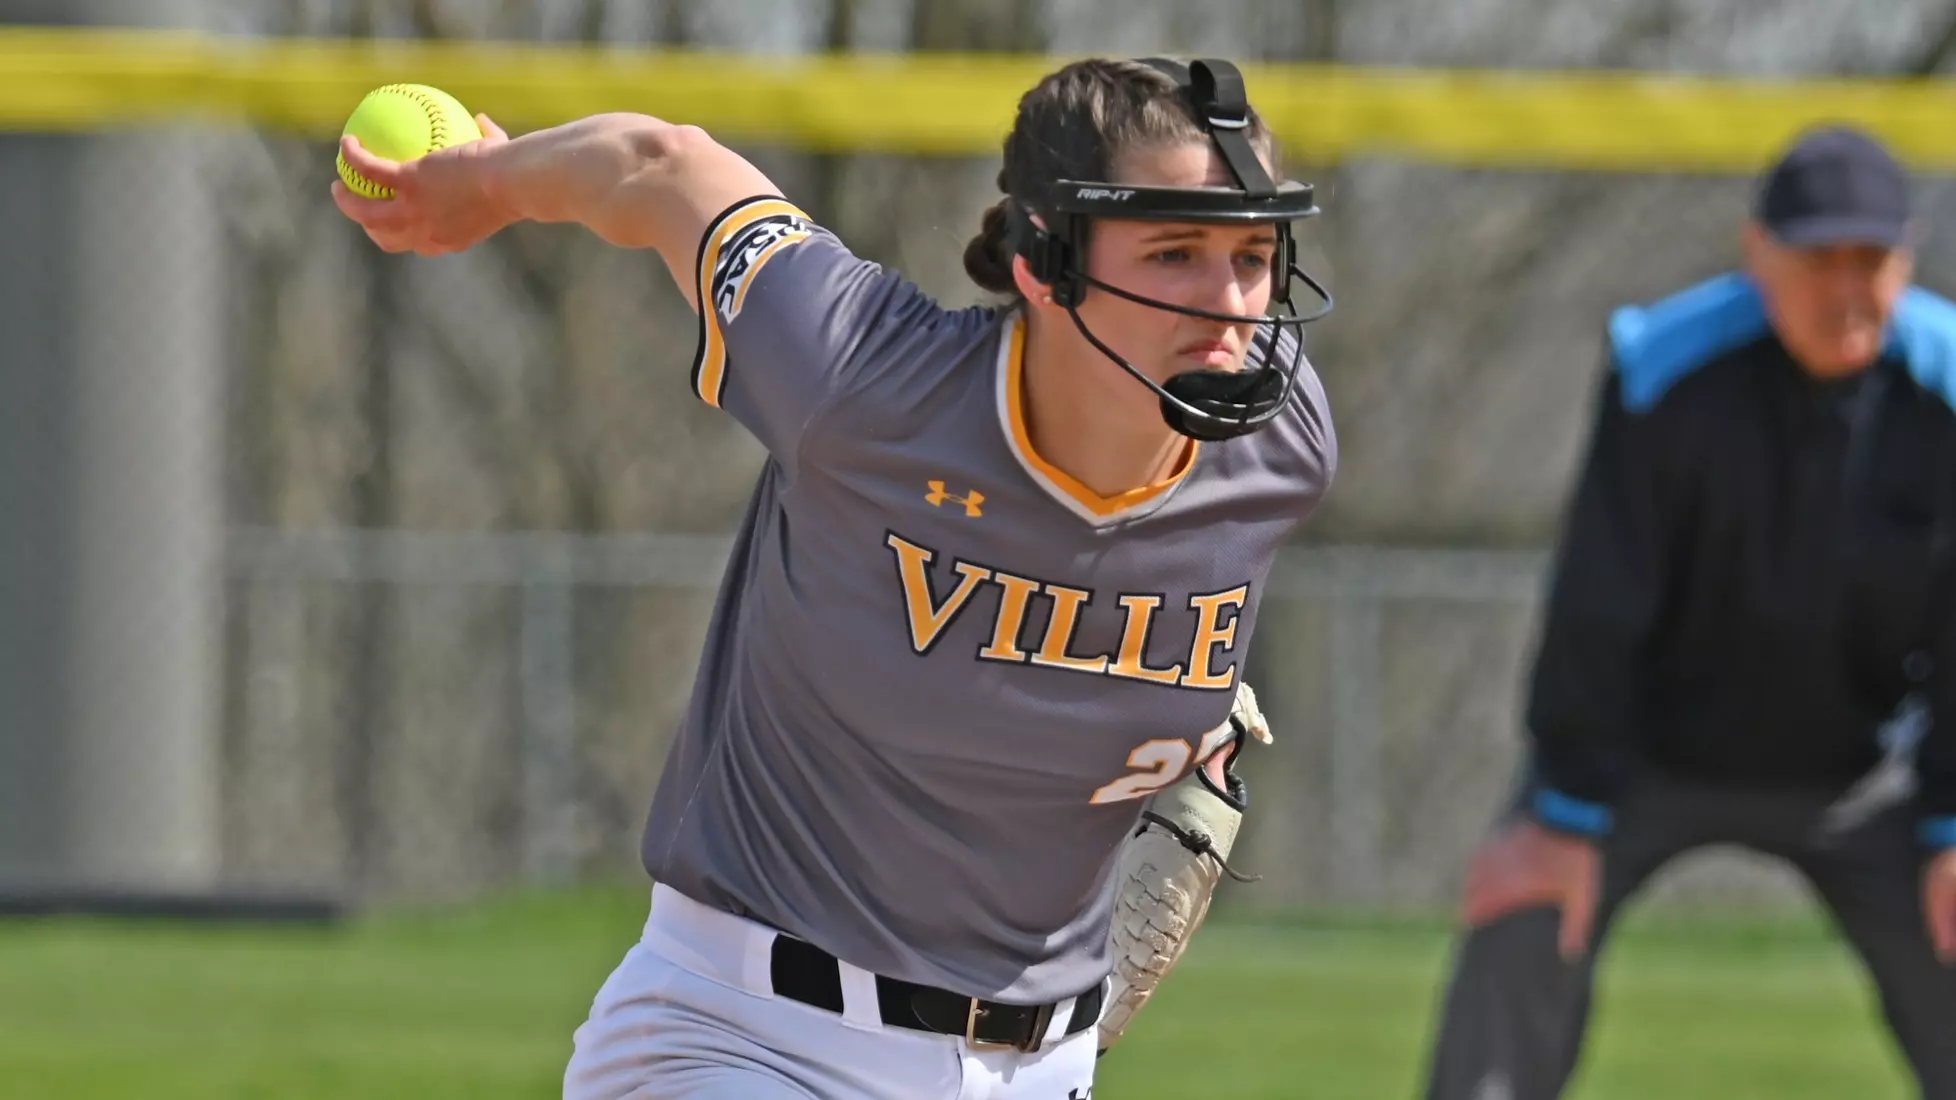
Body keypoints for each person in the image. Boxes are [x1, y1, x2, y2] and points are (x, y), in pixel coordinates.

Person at [332, 56, 1336, 1100]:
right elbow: (661, 167)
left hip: (1044, 1067)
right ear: (1047, 260)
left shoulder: (1282, 443)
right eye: (1175, 251)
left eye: (1254, 255)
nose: (1230, 305)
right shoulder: (864, 377)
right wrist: (485, 186)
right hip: (749, 1038)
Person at [1420, 124, 1956, 1100]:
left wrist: (1954, 822)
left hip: (1865, 768)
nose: (1846, 287)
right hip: (1644, 757)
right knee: (1528, 897)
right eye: (1817, 257)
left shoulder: (1948, 387)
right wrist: (1567, 809)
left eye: (1869, 259)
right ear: (1758, 251)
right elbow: (1598, 601)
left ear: (1908, 256)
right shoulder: (1666, 373)